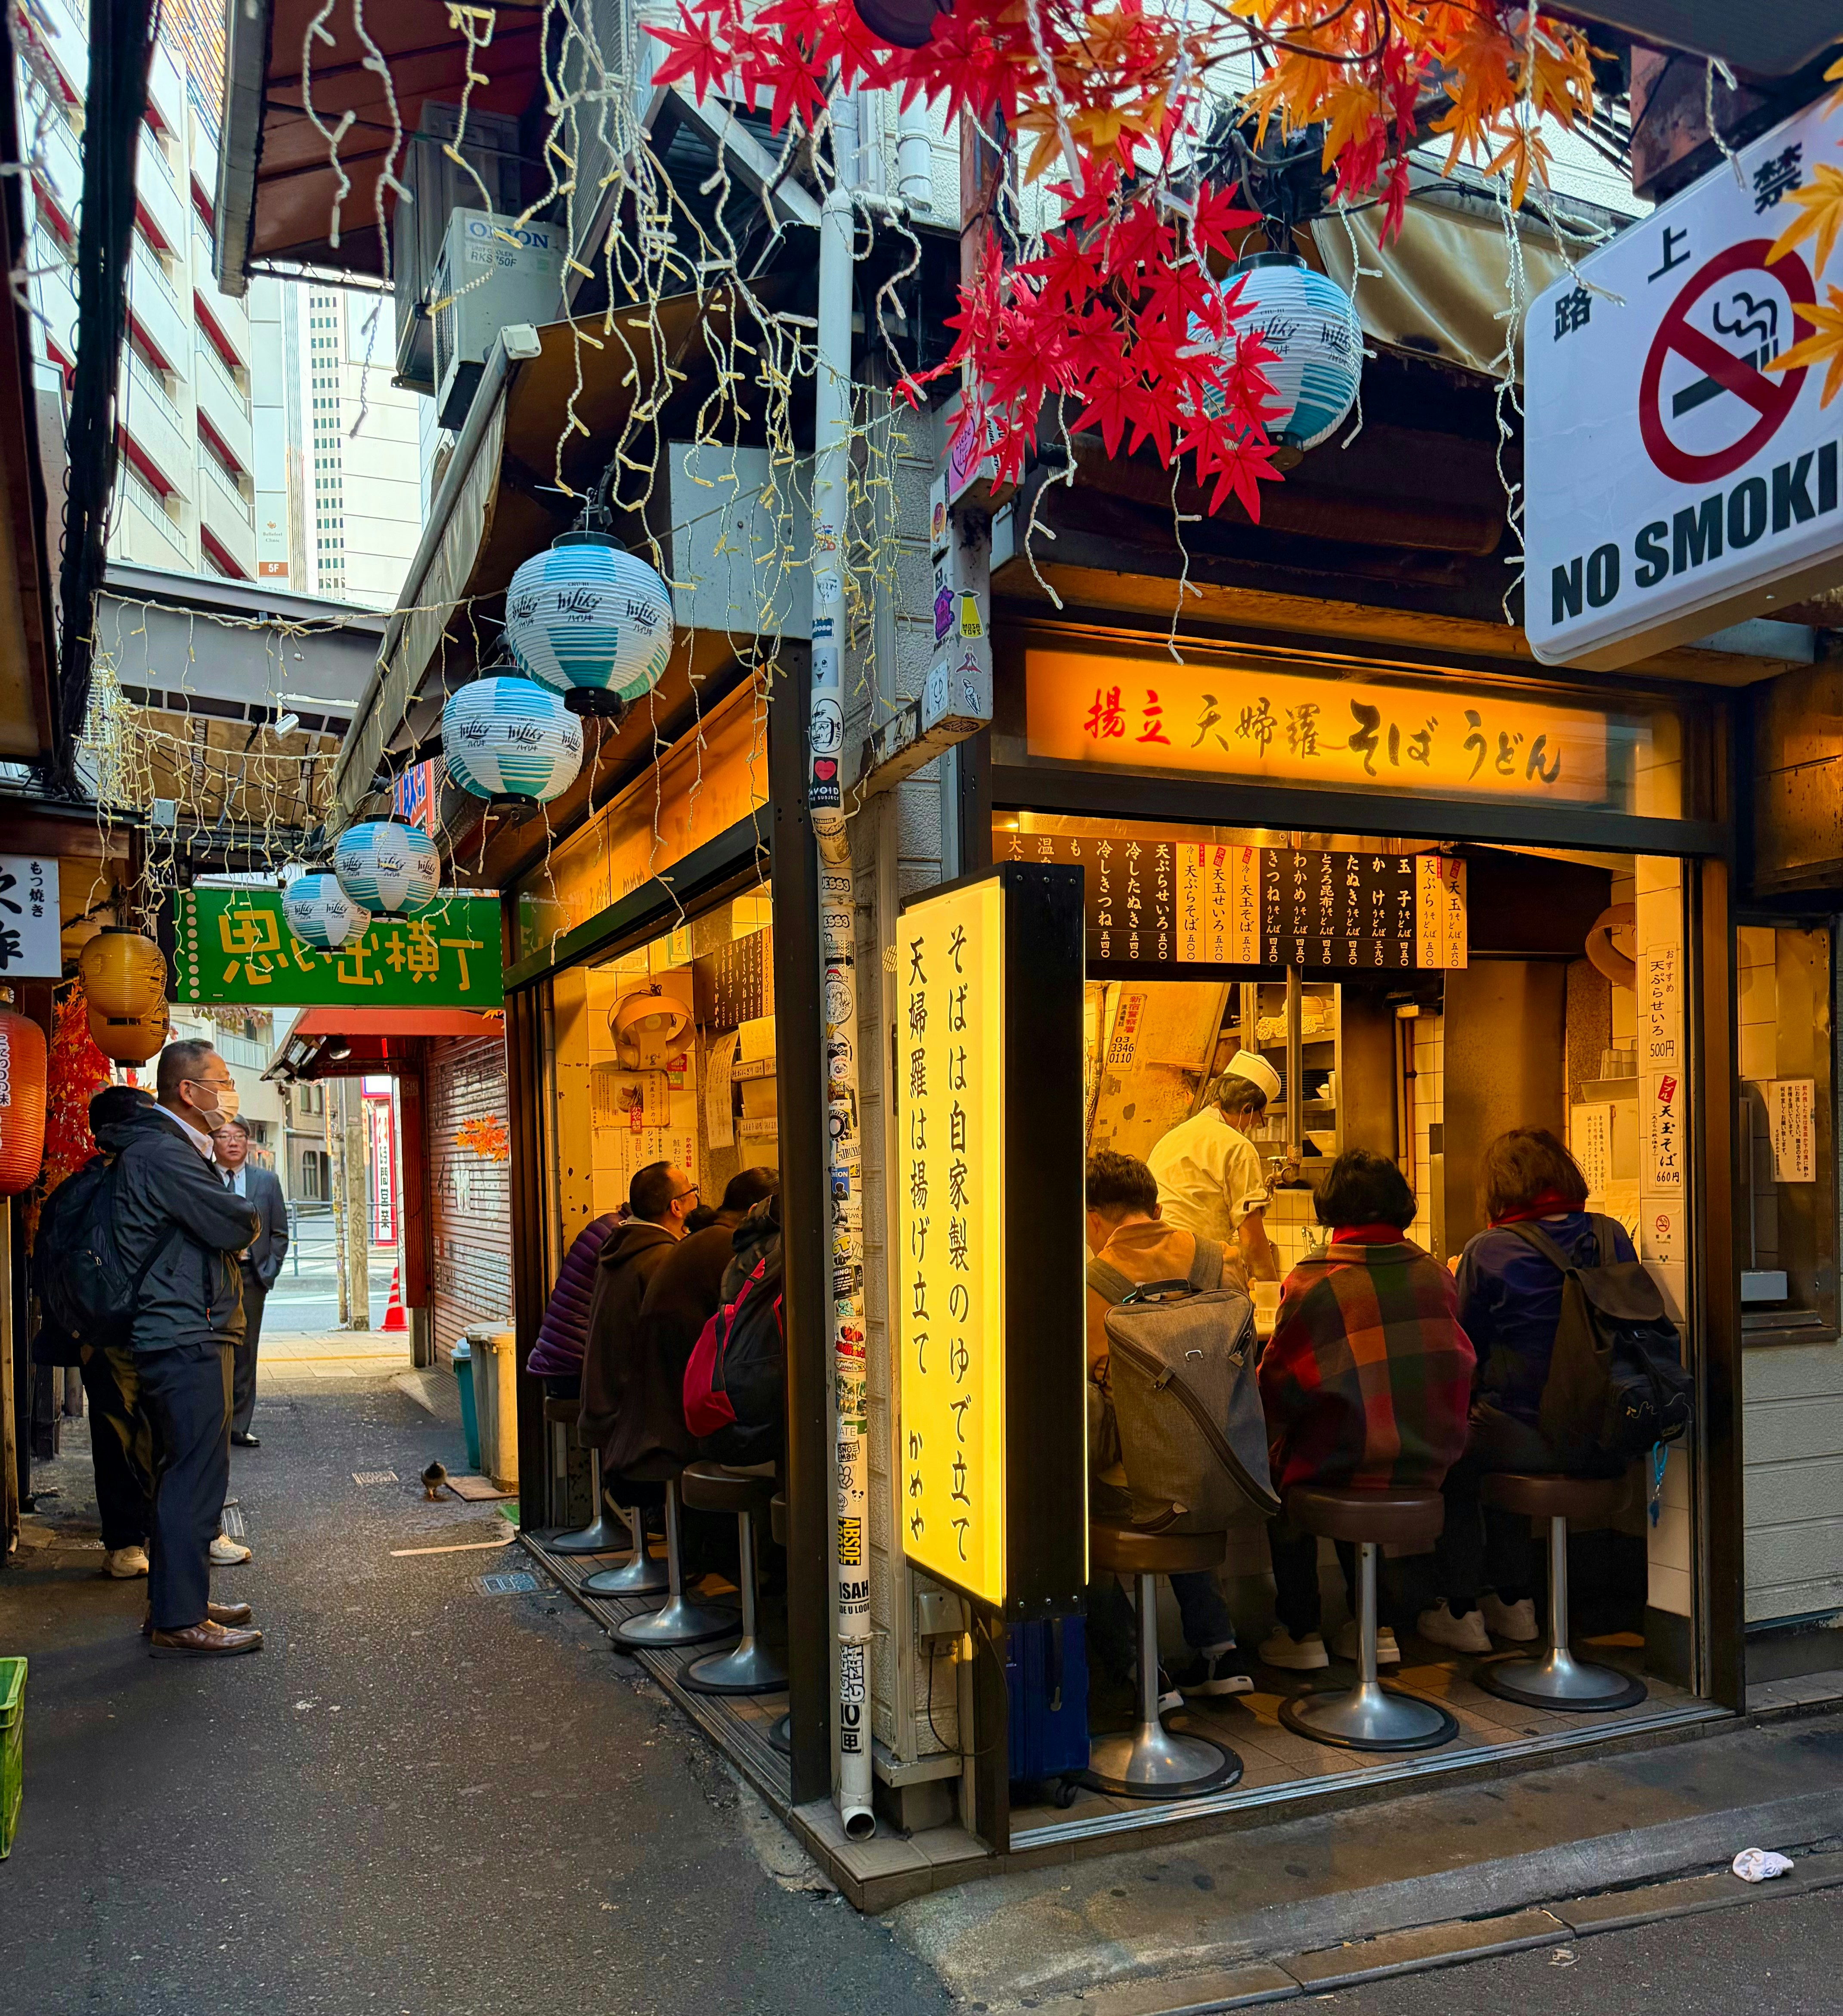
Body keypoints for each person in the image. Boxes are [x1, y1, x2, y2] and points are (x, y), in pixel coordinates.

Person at [1417, 1129, 1639, 1653]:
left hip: (1529, 1435)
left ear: (1501, 1186)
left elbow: (1463, 1347)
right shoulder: (1611, 1235)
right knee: (1498, 1434)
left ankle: (1463, 1609)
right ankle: (1515, 1601)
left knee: (1459, 1452)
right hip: (1612, 1433)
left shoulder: (1489, 1249)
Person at [1257, 1148, 1474, 1672]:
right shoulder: (1434, 1273)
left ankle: (1302, 1629)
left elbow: (1277, 1388)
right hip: (1429, 1462)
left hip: (1347, 1462)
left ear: (1332, 1208)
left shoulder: (1314, 1279)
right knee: (1361, 1440)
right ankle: (1375, 1627)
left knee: (1279, 1466)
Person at [108, 1039, 264, 1656]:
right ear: (187, 1091)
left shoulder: (166, 1147)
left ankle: (182, 1600)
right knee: (194, 1473)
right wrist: (243, 1214)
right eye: (221, 1080)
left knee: (188, 1469)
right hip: (184, 1329)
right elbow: (234, 1220)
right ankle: (179, 1617)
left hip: (182, 1326)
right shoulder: (164, 1151)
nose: (229, 1091)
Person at [1084, 1150, 1254, 1699]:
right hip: (1228, 1472)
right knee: (1183, 1465)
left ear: (1091, 1218)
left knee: (1068, 1521)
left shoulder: (1085, 1285)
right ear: (1156, 1208)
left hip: (1139, 1489)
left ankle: (1142, 1672)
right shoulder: (1222, 1260)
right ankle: (1220, 1652)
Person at [616, 1167, 781, 1479]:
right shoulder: (732, 1251)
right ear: (754, 1212)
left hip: (651, 1411)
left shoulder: (702, 1240)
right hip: (680, 1424)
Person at [578, 1161, 699, 1481]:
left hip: (602, 1401)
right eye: (692, 1192)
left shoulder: (621, 1244)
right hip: (630, 1416)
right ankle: (669, 1525)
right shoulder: (663, 1259)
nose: (696, 1199)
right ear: (676, 1207)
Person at [1147, 1053, 1282, 1282]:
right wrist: (1274, 1292)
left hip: (1152, 1265)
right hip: (1196, 1270)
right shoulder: (1238, 1147)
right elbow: (1253, 1241)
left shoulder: (1171, 1138)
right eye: (1261, 1116)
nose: (1258, 1124)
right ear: (1247, 1108)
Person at [212, 1117, 288, 1448]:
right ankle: (214, 1423)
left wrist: (267, 1273)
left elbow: (280, 1233)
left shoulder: (267, 1182)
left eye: (239, 1136)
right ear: (213, 1141)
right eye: (225, 1136)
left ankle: (239, 1426)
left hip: (250, 1277)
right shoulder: (202, 1177)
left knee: (246, 1351)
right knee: (212, 1352)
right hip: (212, 1279)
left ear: (248, 1143)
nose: (233, 1142)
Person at [527, 1208, 623, 1400]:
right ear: (674, 1208)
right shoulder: (621, 1238)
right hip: (572, 1369)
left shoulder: (606, 1225)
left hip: (558, 1361)